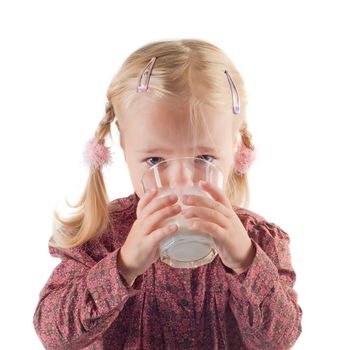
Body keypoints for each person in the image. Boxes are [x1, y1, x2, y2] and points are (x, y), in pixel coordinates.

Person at [33, 39, 302, 349]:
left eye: (204, 158)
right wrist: (122, 266)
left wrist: (245, 261)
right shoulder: (101, 237)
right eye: (155, 161)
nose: (181, 179)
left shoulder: (259, 240)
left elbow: (281, 339)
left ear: (236, 150)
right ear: (124, 148)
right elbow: (52, 334)